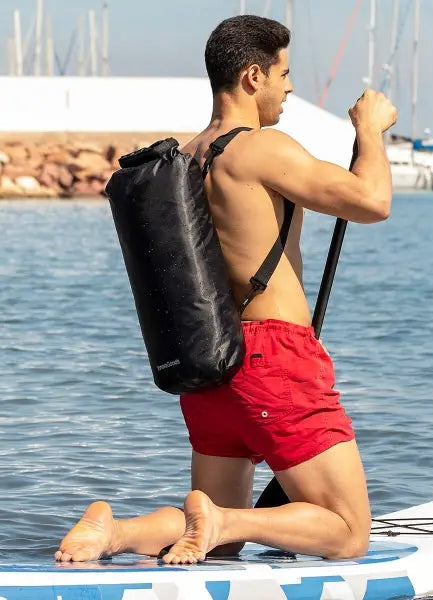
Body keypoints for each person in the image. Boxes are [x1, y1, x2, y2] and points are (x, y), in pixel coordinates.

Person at [55, 14, 396, 564]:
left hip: (209, 361)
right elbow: (372, 201)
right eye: (284, 73)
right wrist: (370, 130)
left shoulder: (185, 160)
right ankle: (223, 520)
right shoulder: (261, 150)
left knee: (218, 544)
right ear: (253, 76)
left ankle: (115, 532)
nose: (289, 87)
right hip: (273, 358)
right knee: (349, 532)